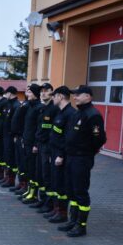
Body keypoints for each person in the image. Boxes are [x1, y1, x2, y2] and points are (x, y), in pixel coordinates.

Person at [61, 85, 106, 237]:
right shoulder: (78, 113)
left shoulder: (93, 115)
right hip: (71, 157)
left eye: (78, 95)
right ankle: (73, 221)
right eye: (74, 95)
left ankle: (81, 226)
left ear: (88, 96)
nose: (75, 97)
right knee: (71, 190)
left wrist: (88, 152)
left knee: (80, 192)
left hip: (82, 158)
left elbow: (98, 139)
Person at [46, 86, 76, 224]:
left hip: (61, 155)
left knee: (62, 184)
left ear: (61, 97)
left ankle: (63, 213)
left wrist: (61, 155)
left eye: (54, 95)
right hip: (54, 152)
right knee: (55, 182)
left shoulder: (70, 114)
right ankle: (57, 209)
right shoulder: (60, 112)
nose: (52, 98)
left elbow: (68, 139)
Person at [32, 83, 58, 213]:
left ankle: (49, 204)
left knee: (47, 175)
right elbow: (40, 128)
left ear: (52, 92)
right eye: (41, 91)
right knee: (41, 174)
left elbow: (54, 131)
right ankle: (41, 200)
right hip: (41, 144)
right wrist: (36, 144)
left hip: (48, 146)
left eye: (46, 91)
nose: (43, 93)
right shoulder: (43, 108)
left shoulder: (54, 109)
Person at [20, 84, 43, 204]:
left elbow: (38, 128)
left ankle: (33, 194)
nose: (27, 94)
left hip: (33, 144)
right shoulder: (30, 106)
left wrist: (35, 144)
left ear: (34, 94)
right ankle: (29, 190)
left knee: (33, 169)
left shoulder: (39, 107)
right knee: (28, 167)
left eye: (29, 92)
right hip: (27, 140)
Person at [0, 87, 20, 188]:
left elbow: (16, 123)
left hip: (11, 136)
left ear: (10, 93)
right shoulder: (8, 104)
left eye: (6, 93)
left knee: (11, 158)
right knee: (7, 156)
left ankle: (11, 179)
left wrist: (14, 134)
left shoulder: (16, 105)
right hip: (5, 135)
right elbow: (3, 120)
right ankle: (7, 177)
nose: (5, 95)